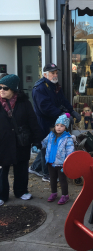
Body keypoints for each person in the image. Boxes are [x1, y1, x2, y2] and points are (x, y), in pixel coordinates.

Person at [29, 63, 81, 182]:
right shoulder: (40, 88)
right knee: (46, 145)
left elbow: (63, 100)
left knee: (50, 144)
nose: (55, 75)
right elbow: (45, 108)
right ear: (45, 74)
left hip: (54, 119)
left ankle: (34, 167)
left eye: (56, 72)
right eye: (52, 73)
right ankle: (47, 174)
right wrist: (62, 115)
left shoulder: (55, 85)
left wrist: (72, 111)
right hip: (44, 121)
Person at [0, 74, 41, 206]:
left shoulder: (24, 103)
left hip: (21, 141)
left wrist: (36, 140)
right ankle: (1, 195)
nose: (1, 90)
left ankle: (21, 191)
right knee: (1, 169)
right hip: (2, 141)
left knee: (21, 167)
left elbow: (33, 122)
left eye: (5, 88)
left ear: (13, 89)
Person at [42, 113, 74, 205]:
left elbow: (70, 152)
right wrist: (38, 145)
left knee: (62, 180)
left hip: (61, 164)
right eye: (57, 125)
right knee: (52, 179)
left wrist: (67, 164)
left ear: (66, 127)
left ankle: (65, 195)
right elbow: (44, 142)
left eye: (62, 126)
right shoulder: (51, 135)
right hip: (51, 162)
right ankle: (54, 193)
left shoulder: (68, 138)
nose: (59, 127)